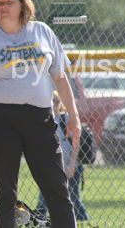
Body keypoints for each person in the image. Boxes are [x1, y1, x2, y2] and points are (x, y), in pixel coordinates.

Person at [0, 0, 81, 228]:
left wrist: (75, 117)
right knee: (5, 194)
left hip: (40, 119)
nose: (3, 7)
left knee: (57, 190)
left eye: (10, 2)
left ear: (23, 5)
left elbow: (60, 78)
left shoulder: (42, 31)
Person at [36, 90, 89, 221]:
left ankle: (83, 221)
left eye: (57, 101)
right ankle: (38, 221)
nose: (54, 104)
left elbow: (76, 143)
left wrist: (72, 165)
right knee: (44, 197)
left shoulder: (64, 119)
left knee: (73, 198)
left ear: (61, 103)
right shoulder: (44, 120)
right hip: (51, 168)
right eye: (51, 100)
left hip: (69, 167)